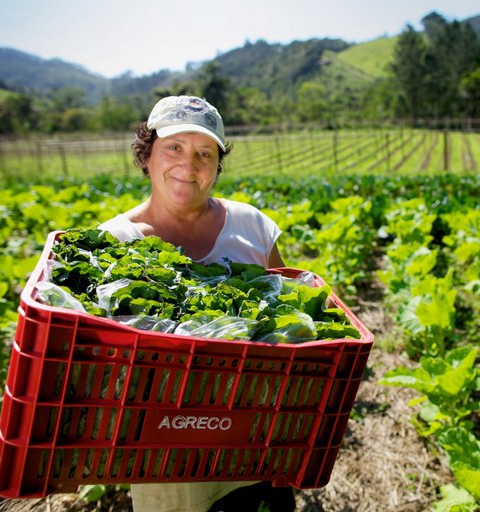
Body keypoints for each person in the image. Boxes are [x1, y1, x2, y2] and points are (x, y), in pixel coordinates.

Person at [98, 95, 296, 512]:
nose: (188, 166)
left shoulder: (252, 226)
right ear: (146, 153)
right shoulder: (113, 243)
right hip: (163, 454)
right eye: (174, 147)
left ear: (217, 165)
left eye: (204, 153)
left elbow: (289, 313)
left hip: (253, 438)